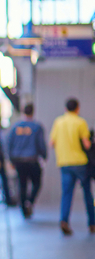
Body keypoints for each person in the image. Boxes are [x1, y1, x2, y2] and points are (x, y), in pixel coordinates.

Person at [48, 97, 94, 236]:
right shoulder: (80, 122)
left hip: (64, 163)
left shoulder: (58, 122)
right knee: (87, 193)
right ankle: (92, 223)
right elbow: (87, 144)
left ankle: (64, 221)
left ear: (65, 108)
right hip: (80, 163)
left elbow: (51, 143)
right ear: (77, 108)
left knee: (67, 194)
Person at [7, 103, 47, 219]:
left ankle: (23, 209)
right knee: (37, 183)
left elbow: (9, 143)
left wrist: (11, 159)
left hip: (19, 161)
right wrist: (44, 157)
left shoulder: (16, 127)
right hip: (32, 160)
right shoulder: (36, 127)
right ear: (33, 112)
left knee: (22, 184)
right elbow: (41, 144)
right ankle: (30, 201)